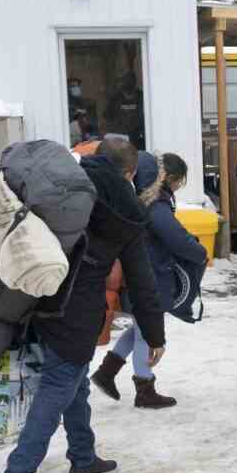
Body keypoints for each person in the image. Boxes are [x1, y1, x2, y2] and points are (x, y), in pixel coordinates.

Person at [0, 139, 165, 473]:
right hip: (76, 313)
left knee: (74, 382)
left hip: (35, 296)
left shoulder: (67, 184)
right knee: (58, 387)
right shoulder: (126, 211)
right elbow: (141, 281)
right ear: (130, 173)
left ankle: (84, 461)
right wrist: (155, 334)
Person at [91, 152, 207, 409]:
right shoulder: (156, 203)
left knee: (140, 328)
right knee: (146, 330)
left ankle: (106, 372)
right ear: (171, 178)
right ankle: (145, 389)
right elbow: (172, 234)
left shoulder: (143, 198)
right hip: (149, 274)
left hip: (143, 270)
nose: (179, 186)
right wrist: (198, 251)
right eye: (180, 180)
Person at [105, 71, 145, 151]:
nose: (128, 82)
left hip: (139, 139)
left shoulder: (141, 96)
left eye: (131, 79)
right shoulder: (116, 98)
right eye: (125, 80)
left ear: (134, 81)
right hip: (121, 140)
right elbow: (107, 117)